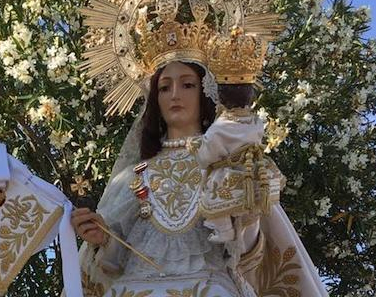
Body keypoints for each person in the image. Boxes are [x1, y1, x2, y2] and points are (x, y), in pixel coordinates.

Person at [71, 60, 327, 296]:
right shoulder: (137, 174)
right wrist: (103, 238)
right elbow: (116, 260)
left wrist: (246, 212)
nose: (174, 95)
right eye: (164, 87)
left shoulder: (227, 162)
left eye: (187, 84)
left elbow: (249, 257)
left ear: (205, 92)